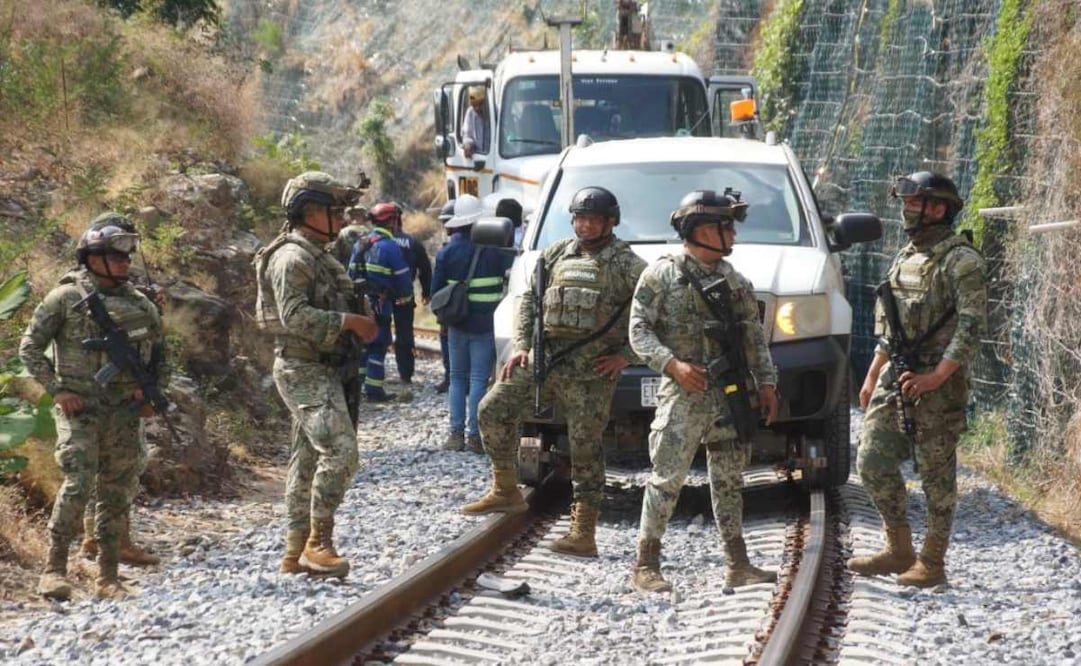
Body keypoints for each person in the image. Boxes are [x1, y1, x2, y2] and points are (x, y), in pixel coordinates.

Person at [461, 186, 647, 560]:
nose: (586, 225)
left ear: (611, 222)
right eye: (580, 218)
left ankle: (583, 531)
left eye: (594, 219)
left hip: (591, 373)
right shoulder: (556, 253)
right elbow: (529, 300)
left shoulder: (629, 264)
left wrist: (627, 355)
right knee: (491, 410)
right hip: (544, 361)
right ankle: (506, 488)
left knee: (585, 450)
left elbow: (655, 315)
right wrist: (521, 347)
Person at [629, 189, 780, 593]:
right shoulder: (661, 275)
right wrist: (672, 365)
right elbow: (638, 331)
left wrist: (766, 384)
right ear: (699, 230)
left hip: (730, 395)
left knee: (730, 481)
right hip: (683, 395)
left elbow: (754, 341)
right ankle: (646, 564)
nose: (733, 235)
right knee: (666, 480)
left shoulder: (737, 282)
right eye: (725, 227)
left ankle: (738, 563)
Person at [847, 171, 987, 588]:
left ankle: (932, 561)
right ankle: (898, 548)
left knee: (936, 475)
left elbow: (970, 327)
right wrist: (874, 372)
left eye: (915, 203)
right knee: (871, 461)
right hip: (897, 374)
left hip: (939, 382)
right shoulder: (907, 256)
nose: (907, 211)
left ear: (938, 208)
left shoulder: (962, 262)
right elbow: (892, 323)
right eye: (905, 203)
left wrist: (936, 376)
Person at [21, 213, 167, 600]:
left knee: (117, 490)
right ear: (92, 258)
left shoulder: (141, 303)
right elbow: (30, 349)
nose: (125, 263)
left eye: (127, 257)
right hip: (80, 410)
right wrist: (57, 390)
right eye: (116, 257)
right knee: (79, 484)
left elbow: (158, 354)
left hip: (124, 412)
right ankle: (53, 570)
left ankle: (108, 576)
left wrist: (148, 393)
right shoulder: (65, 298)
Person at [254, 171, 378, 578]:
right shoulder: (292, 257)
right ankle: (318, 543)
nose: (342, 218)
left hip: (326, 366)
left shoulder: (319, 254)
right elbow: (294, 317)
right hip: (304, 366)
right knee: (341, 451)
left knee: (306, 460)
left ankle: (294, 553)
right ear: (309, 212)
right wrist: (349, 322)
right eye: (334, 211)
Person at [431, 194, 513, 452]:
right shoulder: (496, 250)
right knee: (479, 379)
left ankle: (455, 435)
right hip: (487, 324)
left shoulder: (447, 252)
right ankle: (475, 436)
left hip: (456, 324)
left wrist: (442, 321)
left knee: (457, 378)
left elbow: (436, 292)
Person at [349, 203, 413, 402]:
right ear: (392, 222)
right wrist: (406, 297)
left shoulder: (361, 243)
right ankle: (374, 390)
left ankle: (357, 387)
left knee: (363, 344)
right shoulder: (390, 246)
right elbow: (403, 277)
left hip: (360, 304)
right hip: (380, 304)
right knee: (379, 343)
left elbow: (350, 273)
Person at [389, 203, 434, 384]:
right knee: (405, 334)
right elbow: (425, 268)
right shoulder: (412, 243)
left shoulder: (374, 241)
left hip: (379, 295)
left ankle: (373, 376)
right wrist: (426, 291)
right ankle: (405, 374)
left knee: (377, 333)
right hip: (404, 295)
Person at [434, 200, 456, 394]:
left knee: (448, 343)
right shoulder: (482, 247)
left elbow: (436, 288)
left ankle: (451, 378)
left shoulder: (446, 252)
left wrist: (438, 311)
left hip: (450, 309)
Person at [462, 86, 490, 158]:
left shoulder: (493, 112)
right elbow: (467, 134)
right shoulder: (470, 112)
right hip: (478, 156)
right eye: (474, 105)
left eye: (480, 104)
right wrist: (468, 145)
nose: (477, 108)